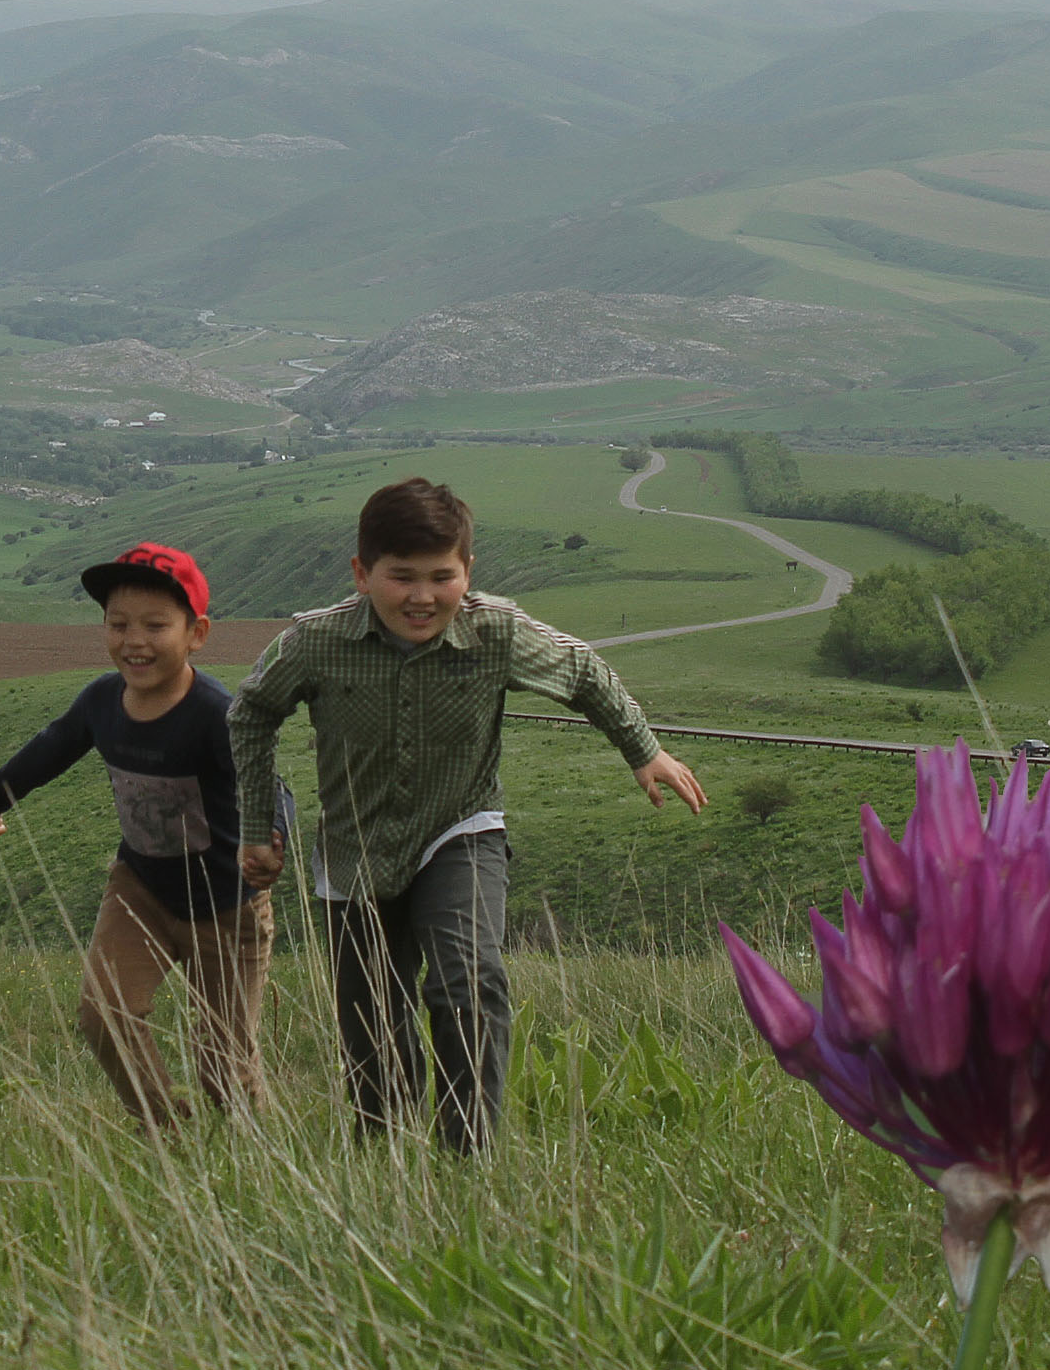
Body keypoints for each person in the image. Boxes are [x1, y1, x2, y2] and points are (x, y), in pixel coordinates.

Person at [231, 478, 704, 1153]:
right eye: (402, 577)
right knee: (371, 1018)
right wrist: (257, 824)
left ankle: (468, 1157)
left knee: (468, 981)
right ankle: (386, 1158)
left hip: (461, 828)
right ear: (362, 574)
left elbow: (581, 670)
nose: (422, 597)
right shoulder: (316, 641)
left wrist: (643, 751)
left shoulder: (495, 631)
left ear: (467, 571)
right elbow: (251, 711)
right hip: (353, 847)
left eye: (441, 577)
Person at [0, 542, 280, 1131]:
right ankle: (164, 1132)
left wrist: (268, 836)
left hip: (226, 906)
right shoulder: (101, 701)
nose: (134, 640)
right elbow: (51, 748)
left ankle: (256, 1156)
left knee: (224, 1065)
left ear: (197, 633)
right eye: (118, 624)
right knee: (104, 1015)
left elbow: (265, 779)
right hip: (141, 889)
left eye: (155, 626)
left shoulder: (216, 713)